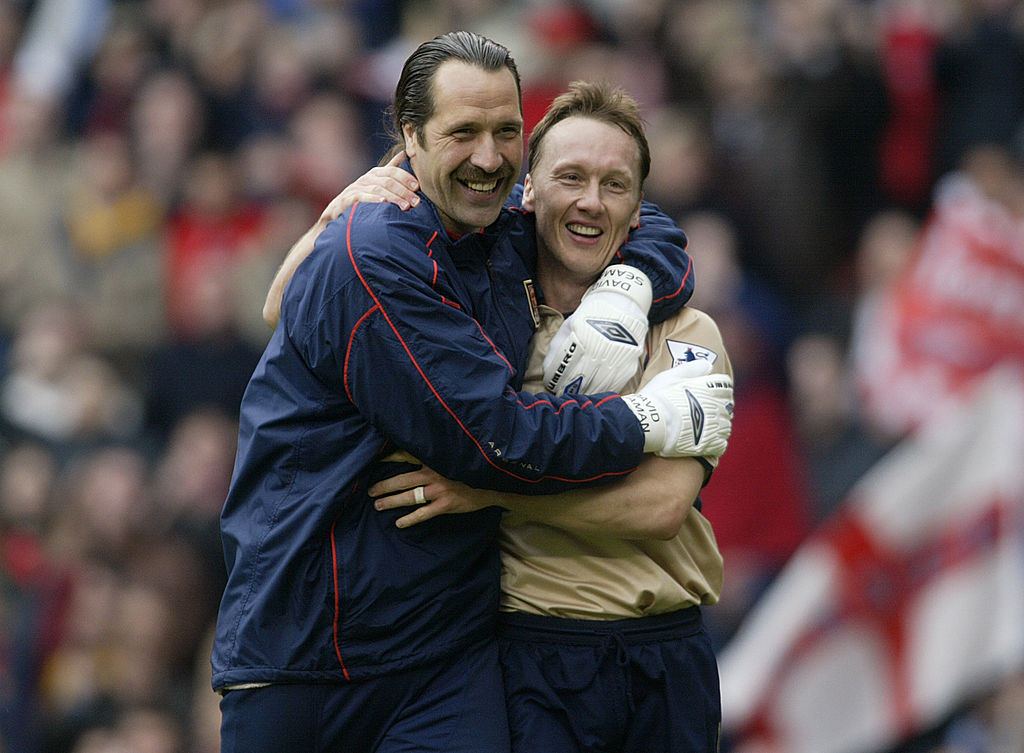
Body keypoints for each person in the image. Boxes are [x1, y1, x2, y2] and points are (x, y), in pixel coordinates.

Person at [213, 31, 733, 753]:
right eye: (463, 132)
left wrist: (629, 282)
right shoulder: (380, 247)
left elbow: (642, 228)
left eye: (505, 132)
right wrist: (646, 418)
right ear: (409, 142)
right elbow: (497, 441)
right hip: (309, 656)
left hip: (457, 661)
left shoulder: (508, 239)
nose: (488, 156)